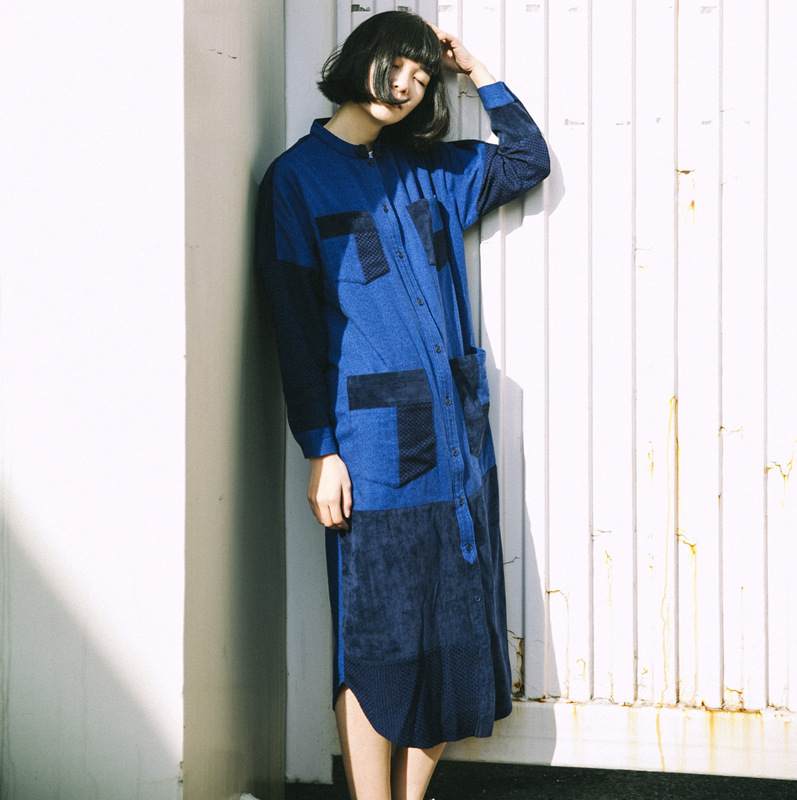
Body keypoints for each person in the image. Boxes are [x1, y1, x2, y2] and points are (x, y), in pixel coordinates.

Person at [257, 11, 549, 799]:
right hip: (374, 451)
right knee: (377, 644)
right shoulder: (295, 181)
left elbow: (527, 158)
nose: (408, 83)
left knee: (455, 640)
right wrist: (321, 449)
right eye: (397, 64)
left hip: (457, 448)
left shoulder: (432, 170)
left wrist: (475, 69)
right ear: (361, 58)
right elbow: (293, 328)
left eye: (422, 76)